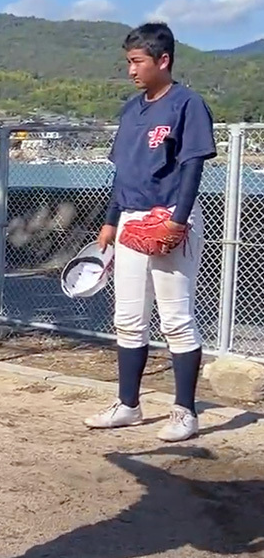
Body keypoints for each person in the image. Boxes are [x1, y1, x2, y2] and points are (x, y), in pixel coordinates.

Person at [84, 22, 216, 442]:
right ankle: (128, 404)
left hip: (168, 216)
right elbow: (124, 173)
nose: (131, 70)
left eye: (137, 61)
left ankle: (185, 412)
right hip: (131, 219)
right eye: (128, 62)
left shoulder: (187, 104)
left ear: (164, 60)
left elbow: (193, 165)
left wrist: (179, 219)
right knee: (128, 318)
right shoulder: (131, 110)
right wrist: (109, 220)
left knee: (176, 320)